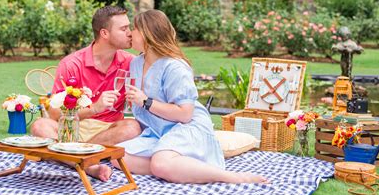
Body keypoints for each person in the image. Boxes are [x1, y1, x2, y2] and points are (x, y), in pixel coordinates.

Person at [112, 10, 268, 184]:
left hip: (186, 127)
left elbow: (185, 114)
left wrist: (146, 102)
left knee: (160, 163)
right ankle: (178, 168)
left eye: (134, 28)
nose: (130, 33)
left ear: (147, 34)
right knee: (117, 155)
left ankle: (232, 177)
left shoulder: (175, 67)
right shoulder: (136, 63)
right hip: (158, 131)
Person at [31, 5, 141, 181]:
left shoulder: (131, 62)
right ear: (104, 33)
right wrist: (94, 109)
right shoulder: (72, 64)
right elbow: (53, 113)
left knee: (132, 127)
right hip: (74, 126)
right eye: (124, 29)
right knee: (40, 126)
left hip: (109, 129)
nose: (130, 33)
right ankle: (88, 164)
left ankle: (68, 156)